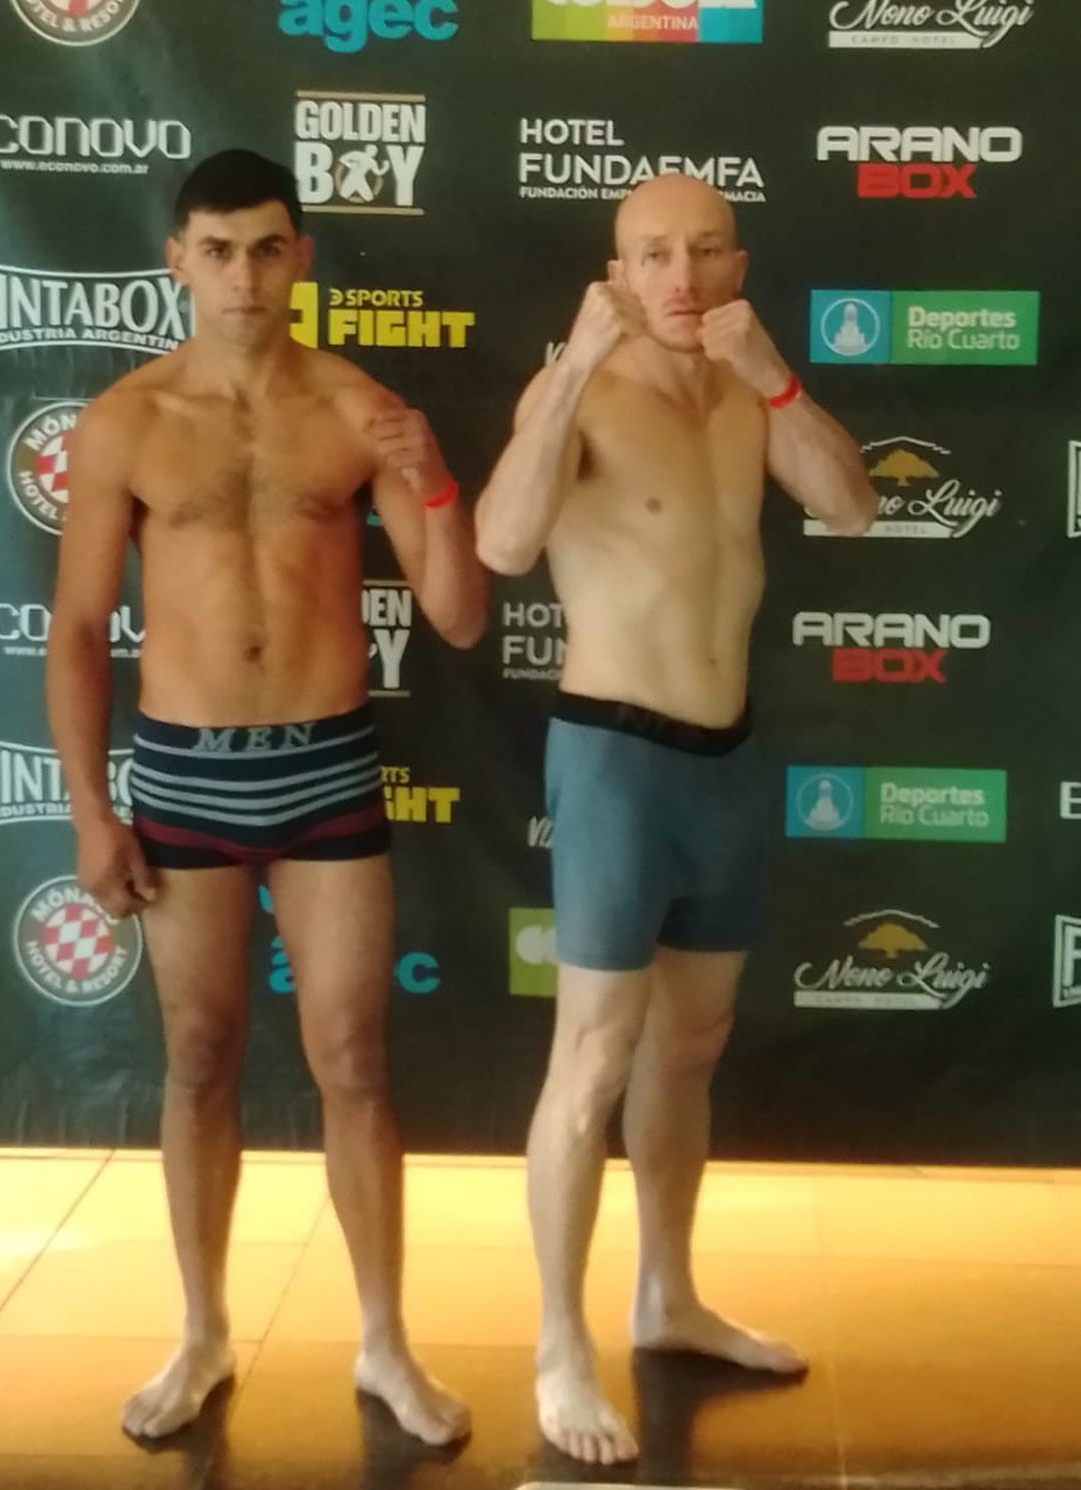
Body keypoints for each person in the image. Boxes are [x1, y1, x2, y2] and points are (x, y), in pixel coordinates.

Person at [47, 149, 487, 1444]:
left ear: (301, 258)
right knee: (197, 1056)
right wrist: (89, 809)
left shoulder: (360, 409)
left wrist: (436, 477)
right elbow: (77, 628)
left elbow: (461, 617)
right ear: (177, 262)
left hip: (326, 765)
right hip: (183, 772)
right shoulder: (125, 421)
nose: (244, 275)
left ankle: (386, 1343)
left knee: (353, 1057)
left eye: (267, 248)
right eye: (218, 251)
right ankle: (201, 1332)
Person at [474, 172, 877, 1467]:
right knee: (593, 1057)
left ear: (737, 264)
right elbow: (500, 544)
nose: (681, 277)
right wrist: (570, 373)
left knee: (690, 1046)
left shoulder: (746, 394)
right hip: (616, 758)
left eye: (704, 250)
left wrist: (775, 380)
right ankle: (558, 1342)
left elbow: (853, 503)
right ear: (616, 273)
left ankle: (668, 1295)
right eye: (653, 254)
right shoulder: (579, 391)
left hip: (724, 758)